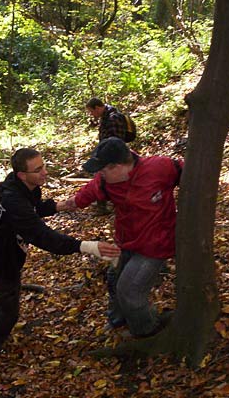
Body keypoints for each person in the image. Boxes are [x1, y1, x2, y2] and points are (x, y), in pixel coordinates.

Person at [0, 148, 121, 354]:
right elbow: (42, 236)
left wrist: (59, 206)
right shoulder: (12, 201)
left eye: (43, 165)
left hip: (5, 256)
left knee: (2, 294)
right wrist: (87, 246)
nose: (44, 172)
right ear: (22, 174)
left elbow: (33, 208)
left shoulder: (24, 187)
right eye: (38, 169)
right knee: (8, 309)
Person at [62, 137, 183, 337]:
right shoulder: (106, 181)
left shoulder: (159, 167)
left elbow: (190, 172)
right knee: (113, 278)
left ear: (117, 166)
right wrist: (48, 208)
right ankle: (118, 320)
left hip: (154, 246)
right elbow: (83, 196)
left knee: (129, 291)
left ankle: (145, 331)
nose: (100, 174)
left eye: (103, 169)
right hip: (126, 241)